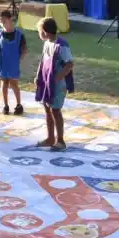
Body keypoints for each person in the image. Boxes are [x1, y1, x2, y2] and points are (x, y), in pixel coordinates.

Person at [34, 18, 74, 152]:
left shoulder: (61, 45)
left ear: (45, 32)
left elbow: (69, 64)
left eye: (39, 31)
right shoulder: (47, 43)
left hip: (57, 84)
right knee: (47, 107)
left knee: (55, 110)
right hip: (46, 82)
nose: (38, 33)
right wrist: (38, 76)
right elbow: (43, 61)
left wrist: (58, 77)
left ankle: (60, 141)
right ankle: (50, 138)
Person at [0, 9, 28, 116]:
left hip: (13, 63)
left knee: (14, 84)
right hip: (2, 62)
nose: (2, 23)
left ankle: (18, 105)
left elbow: (25, 50)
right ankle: (5, 105)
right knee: (4, 84)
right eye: (0, 21)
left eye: (4, 21)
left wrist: (19, 59)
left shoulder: (19, 34)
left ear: (10, 19)